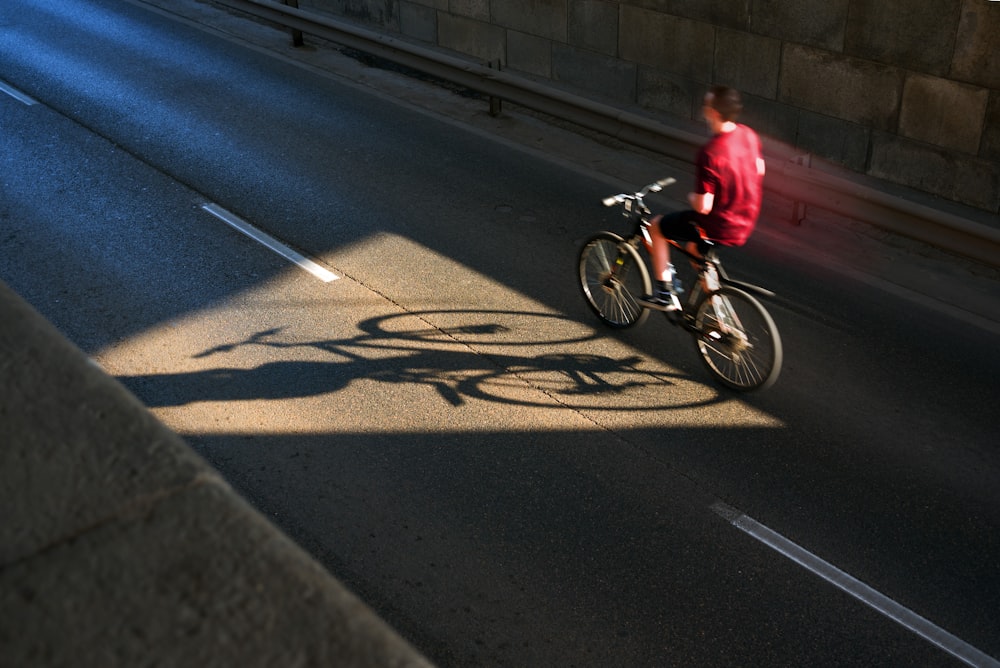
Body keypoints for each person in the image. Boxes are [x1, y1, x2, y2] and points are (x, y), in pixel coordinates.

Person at [638, 85, 766, 311]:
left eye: (706, 105)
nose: (703, 108)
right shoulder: (748, 134)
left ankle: (664, 293)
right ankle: (719, 316)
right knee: (696, 252)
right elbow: (759, 169)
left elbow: (703, 206)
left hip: (720, 224)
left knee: (656, 227)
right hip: (746, 218)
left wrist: (691, 196)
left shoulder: (711, 152)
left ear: (714, 113)